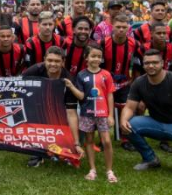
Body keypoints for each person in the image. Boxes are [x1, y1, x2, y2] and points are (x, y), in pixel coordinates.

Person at [121, 49, 172, 177]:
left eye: (155, 62)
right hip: (156, 121)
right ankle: (150, 159)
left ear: (162, 63)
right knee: (130, 125)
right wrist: (123, 120)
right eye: (147, 63)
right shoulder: (139, 82)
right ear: (143, 65)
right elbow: (129, 107)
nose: (151, 66)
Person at [21, 46, 84, 167]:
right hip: (37, 104)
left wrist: (76, 142)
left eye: (57, 61)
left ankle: (70, 149)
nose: (53, 64)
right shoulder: (34, 70)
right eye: (50, 60)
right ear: (44, 60)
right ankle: (37, 152)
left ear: (63, 62)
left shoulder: (68, 79)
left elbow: (71, 112)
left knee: (80, 116)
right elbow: (18, 86)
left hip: (60, 108)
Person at [99, 13, 143, 151]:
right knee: (103, 111)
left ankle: (126, 138)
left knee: (126, 110)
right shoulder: (102, 43)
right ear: (112, 27)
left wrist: (135, 82)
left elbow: (137, 66)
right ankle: (103, 138)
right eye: (118, 27)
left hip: (125, 83)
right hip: (105, 84)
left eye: (124, 27)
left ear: (129, 28)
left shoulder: (135, 44)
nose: (121, 30)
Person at [76, 43, 117, 183]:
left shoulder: (106, 74)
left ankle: (109, 170)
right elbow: (81, 95)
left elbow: (110, 95)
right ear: (86, 58)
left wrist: (110, 115)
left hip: (102, 114)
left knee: (106, 141)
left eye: (99, 57)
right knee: (89, 141)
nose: (96, 59)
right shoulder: (81, 75)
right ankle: (92, 169)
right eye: (93, 56)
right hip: (87, 113)